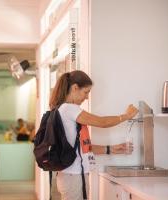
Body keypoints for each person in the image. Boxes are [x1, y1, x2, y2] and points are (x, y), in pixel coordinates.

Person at [50, 70, 138, 200]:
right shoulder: (69, 109)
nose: (86, 97)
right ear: (75, 88)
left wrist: (111, 149)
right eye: (86, 92)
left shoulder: (60, 109)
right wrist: (126, 116)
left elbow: (81, 148)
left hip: (70, 176)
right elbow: (102, 122)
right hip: (74, 177)